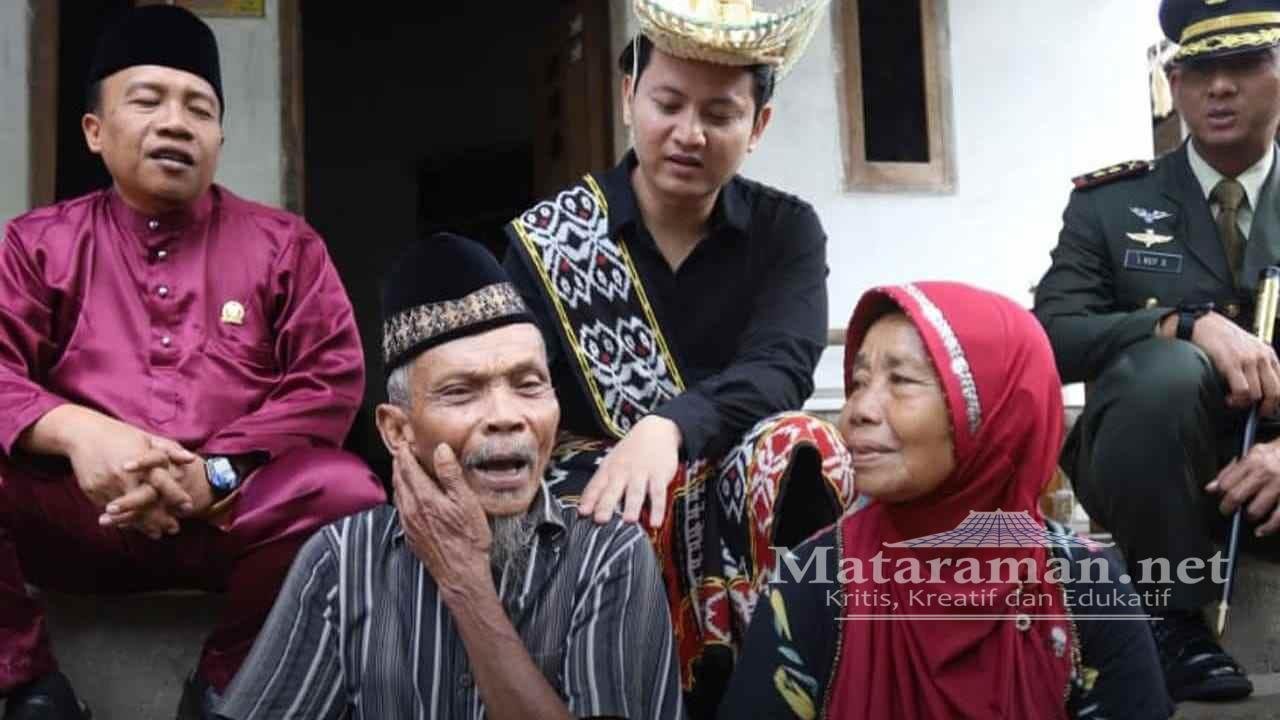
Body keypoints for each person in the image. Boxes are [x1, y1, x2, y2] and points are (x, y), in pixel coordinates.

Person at [0, 6, 384, 719]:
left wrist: (212, 472)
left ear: (219, 136)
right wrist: (81, 434)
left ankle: (228, 683)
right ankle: (28, 684)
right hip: (81, 517)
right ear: (94, 130)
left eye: (198, 107)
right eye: (146, 100)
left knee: (347, 492)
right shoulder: (36, 245)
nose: (176, 122)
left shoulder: (285, 247)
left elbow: (330, 381)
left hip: (228, 519)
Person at [503, 1, 853, 713]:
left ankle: (781, 690)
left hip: (733, 465)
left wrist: (669, 426)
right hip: (599, 478)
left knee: (804, 446)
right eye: (668, 103)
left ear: (757, 128)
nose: (688, 135)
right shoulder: (548, 241)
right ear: (630, 96)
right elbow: (518, 393)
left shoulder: (787, 231)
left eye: (720, 115)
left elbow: (781, 367)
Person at [216, 233, 684, 719]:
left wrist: (465, 584)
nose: (506, 416)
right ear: (398, 431)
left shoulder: (608, 555)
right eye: (461, 392)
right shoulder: (342, 561)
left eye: (529, 385)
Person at [720, 282, 1174, 719]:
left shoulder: (1082, 585)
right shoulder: (815, 581)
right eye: (859, 381)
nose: (858, 409)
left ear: (994, 411)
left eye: (899, 379)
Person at [1033, 0, 1280, 702]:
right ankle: (1171, 619)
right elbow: (1049, 340)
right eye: (1200, 69)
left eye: (1243, 64)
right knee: (1164, 370)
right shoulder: (1109, 206)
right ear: (1174, 84)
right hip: (1151, 474)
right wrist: (1180, 322)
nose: (1220, 87)